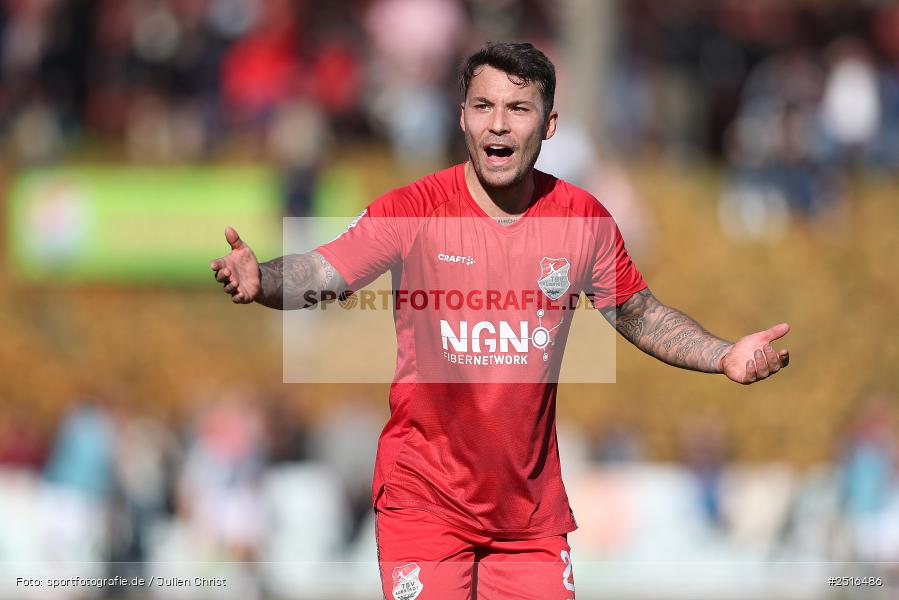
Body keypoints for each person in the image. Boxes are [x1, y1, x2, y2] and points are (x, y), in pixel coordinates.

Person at [210, 42, 791, 600]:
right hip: (425, 503)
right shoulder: (412, 210)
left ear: (549, 124)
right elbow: (322, 272)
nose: (498, 125)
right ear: (462, 117)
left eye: (518, 109)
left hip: (529, 520)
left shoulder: (581, 220)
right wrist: (265, 279)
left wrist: (722, 354)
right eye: (484, 106)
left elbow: (640, 314)